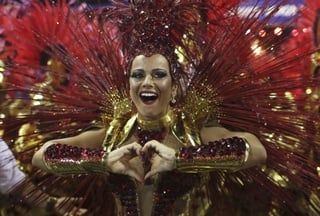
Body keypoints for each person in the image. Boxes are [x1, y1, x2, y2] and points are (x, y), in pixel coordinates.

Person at [3, 0, 320, 215]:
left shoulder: (195, 132)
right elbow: (41, 155)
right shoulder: (113, 134)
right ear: (128, 84)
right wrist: (102, 160)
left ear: (173, 84)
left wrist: (182, 158)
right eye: (138, 75)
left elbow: (256, 149)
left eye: (159, 74)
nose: (147, 83)